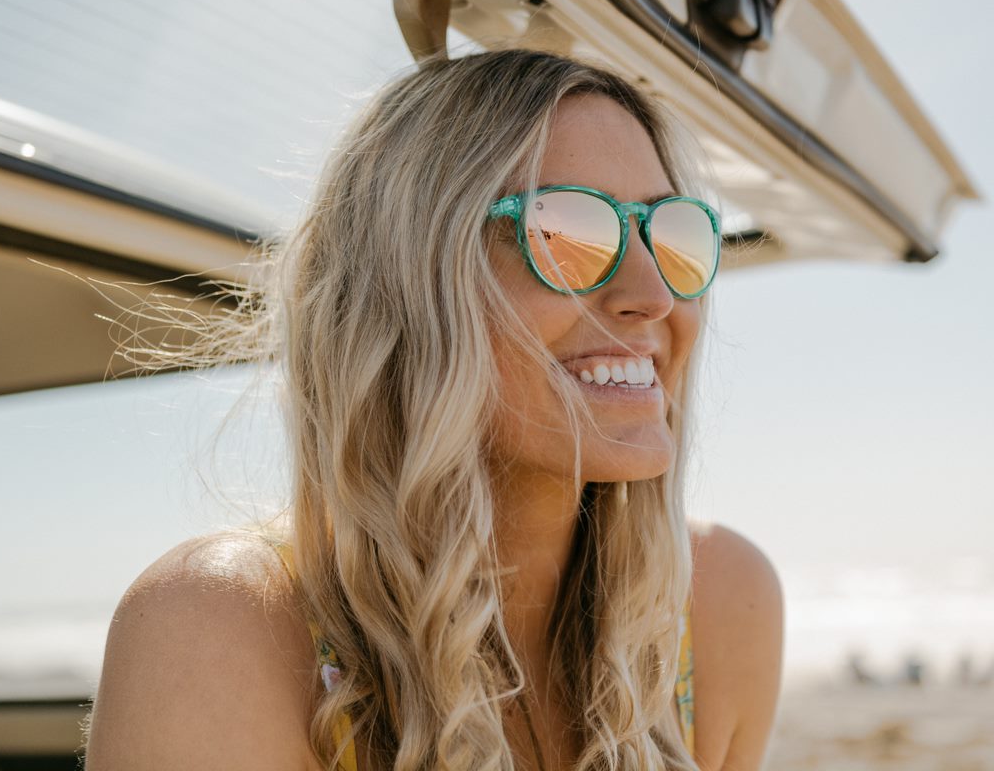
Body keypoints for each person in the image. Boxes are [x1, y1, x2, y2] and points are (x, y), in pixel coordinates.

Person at [82, 49, 783, 771]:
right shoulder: (222, 628)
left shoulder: (721, 605)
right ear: (410, 286)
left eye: (672, 236)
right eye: (570, 235)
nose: (655, 294)